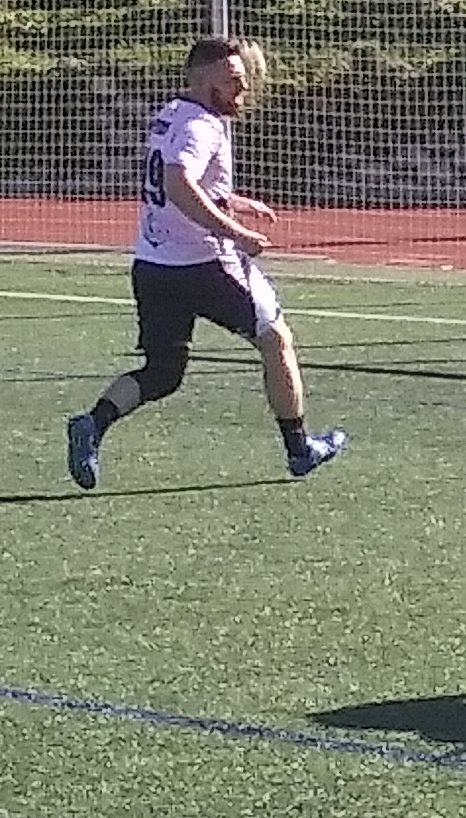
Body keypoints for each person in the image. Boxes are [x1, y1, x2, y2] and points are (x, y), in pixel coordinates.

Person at [64, 36, 347, 491]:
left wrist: (233, 200)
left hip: (154, 266)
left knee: (162, 373)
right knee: (276, 340)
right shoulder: (203, 126)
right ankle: (300, 449)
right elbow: (178, 184)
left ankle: (91, 423)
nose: (242, 88)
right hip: (206, 267)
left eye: (243, 78)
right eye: (232, 79)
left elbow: (181, 181)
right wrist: (236, 232)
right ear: (200, 77)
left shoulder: (171, 113)